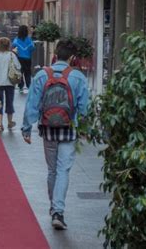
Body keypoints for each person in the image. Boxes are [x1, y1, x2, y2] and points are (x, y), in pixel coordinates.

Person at [21, 39, 89, 230]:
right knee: (63, 170)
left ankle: (54, 207)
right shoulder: (78, 77)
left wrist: (27, 128)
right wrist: (85, 128)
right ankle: (58, 211)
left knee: (52, 170)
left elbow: (32, 103)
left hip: (48, 128)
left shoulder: (42, 75)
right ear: (73, 58)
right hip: (69, 128)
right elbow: (84, 106)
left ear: (55, 55)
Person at [0, 37, 21, 132]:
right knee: (9, 102)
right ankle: (9, 122)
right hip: (10, 82)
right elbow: (18, 66)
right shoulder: (12, 55)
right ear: (8, 45)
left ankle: (0, 124)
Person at [12, 25, 35, 94]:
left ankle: (21, 87)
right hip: (28, 58)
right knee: (27, 73)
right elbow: (33, 47)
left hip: (19, 58)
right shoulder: (29, 39)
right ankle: (29, 86)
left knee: (20, 72)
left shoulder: (16, 39)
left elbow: (13, 46)